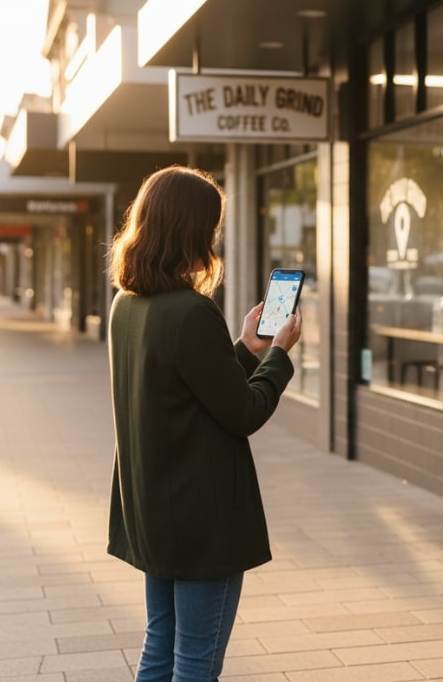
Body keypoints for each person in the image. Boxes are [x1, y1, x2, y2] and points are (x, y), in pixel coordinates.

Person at [105, 165, 302, 681]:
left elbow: (189, 391)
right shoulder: (191, 311)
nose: (215, 237)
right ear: (191, 229)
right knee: (195, 664)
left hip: (153, 511)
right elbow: (243, 412)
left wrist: (245, 348)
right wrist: (278, 354)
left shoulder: (125, 306)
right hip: (200, 520)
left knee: (159, 649)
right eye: (211, 226)